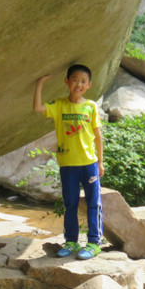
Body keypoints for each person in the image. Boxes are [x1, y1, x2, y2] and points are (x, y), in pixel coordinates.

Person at [33, 64, 104, 259]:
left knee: (93, 203)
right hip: (67, 165)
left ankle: (94, 243)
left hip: (88, 163)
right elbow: (37, 107)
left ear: (89, 85)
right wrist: (40, 83)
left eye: (83, 81)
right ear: (67, 81)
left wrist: (100, 162)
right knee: (70, 204)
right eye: (74, 80)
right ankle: (71, 241)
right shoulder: (60, 105)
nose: (78, 84)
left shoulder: (90, 106)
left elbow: (98, 136)